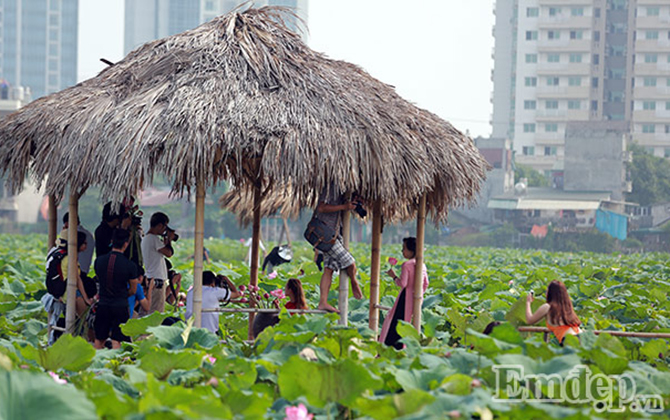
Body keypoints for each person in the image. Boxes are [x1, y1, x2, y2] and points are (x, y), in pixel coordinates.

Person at [311, 186, 364, 312]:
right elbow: (321, 207)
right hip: (325, 234)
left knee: (328, 269)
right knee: (350, 262)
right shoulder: (330, 188)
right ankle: (354, 282)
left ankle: (322, 302)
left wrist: (351, 206)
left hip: (334, 235)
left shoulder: (343, 193)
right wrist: (344, 207)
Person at [379, 237, 429, 350]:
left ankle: (391, 348)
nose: (402, 251)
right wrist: (419, 294)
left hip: (405, 298)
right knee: (410, 323)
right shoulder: (422, 265)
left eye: (404, 249)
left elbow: (403, 284)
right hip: (417, 298)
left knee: (397, 323)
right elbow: (426, 283)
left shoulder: (407, 265)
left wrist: (393, 276)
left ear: (412, 250)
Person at [93, 229, 139, 349]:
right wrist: (123, 294)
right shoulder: (130, 266)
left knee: (99, 339)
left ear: (112, 241)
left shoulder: (99, 261)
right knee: (117, 340)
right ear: (126, 244)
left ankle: (94, 365)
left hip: (103, 304)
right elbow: (133, 290)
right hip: (120, 305)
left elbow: (100, 279)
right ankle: (115, 365)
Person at [526, 280, 581, 345]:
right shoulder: (567, 307)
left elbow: (529, 320)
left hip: (570, 341)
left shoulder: (548, 307)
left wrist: (528, 302)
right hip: (581, 337)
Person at [141, 212, 175, 314]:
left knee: (149, 311)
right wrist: (169, 240)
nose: (165, 230)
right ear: (160, 225)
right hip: (157, 280)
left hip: (151, 278)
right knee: (156, 312)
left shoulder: (146, 238)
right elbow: (169, 253)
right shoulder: (153, 238)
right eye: (165, 227)